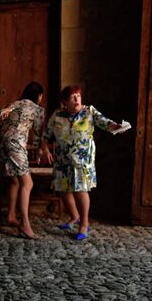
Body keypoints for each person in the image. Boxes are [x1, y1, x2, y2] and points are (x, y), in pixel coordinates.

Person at [40, 85, 127, 240]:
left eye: (78, 96)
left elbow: (105, 123)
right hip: (62, 160)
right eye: (73, 97)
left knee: (80, 190)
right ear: (64, 102)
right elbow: (46, 136)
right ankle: (74, 217)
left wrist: (117, 126)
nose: (77, 99)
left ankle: (84, 224)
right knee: (63, 189)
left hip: (82, 160)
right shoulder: (57, 115)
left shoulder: (89, 112)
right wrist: (45, 151)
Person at [0, 81, 46, 239]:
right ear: (39, 96)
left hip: (1, 143)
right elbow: (38, 135)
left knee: (15, 181)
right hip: (15, 144)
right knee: (27, 183)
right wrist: (38, 152)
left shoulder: (16, 103)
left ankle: (11, 215)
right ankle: (24, 224)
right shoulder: (38, 110)